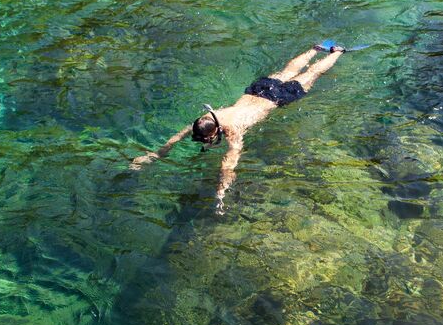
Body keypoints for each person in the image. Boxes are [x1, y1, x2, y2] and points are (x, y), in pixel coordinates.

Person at [130, 42, 349, 213]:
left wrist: (221, 193)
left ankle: (337, 52)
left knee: (311, 75)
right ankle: (314, 49)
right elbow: (177, 137)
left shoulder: (231, 129)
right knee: (286, 71)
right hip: (259, 89)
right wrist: (154, 155)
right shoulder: (209, 116)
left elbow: (229, 163)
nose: (205, 141)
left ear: (214, 131)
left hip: (275, 99)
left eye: (206, 139)